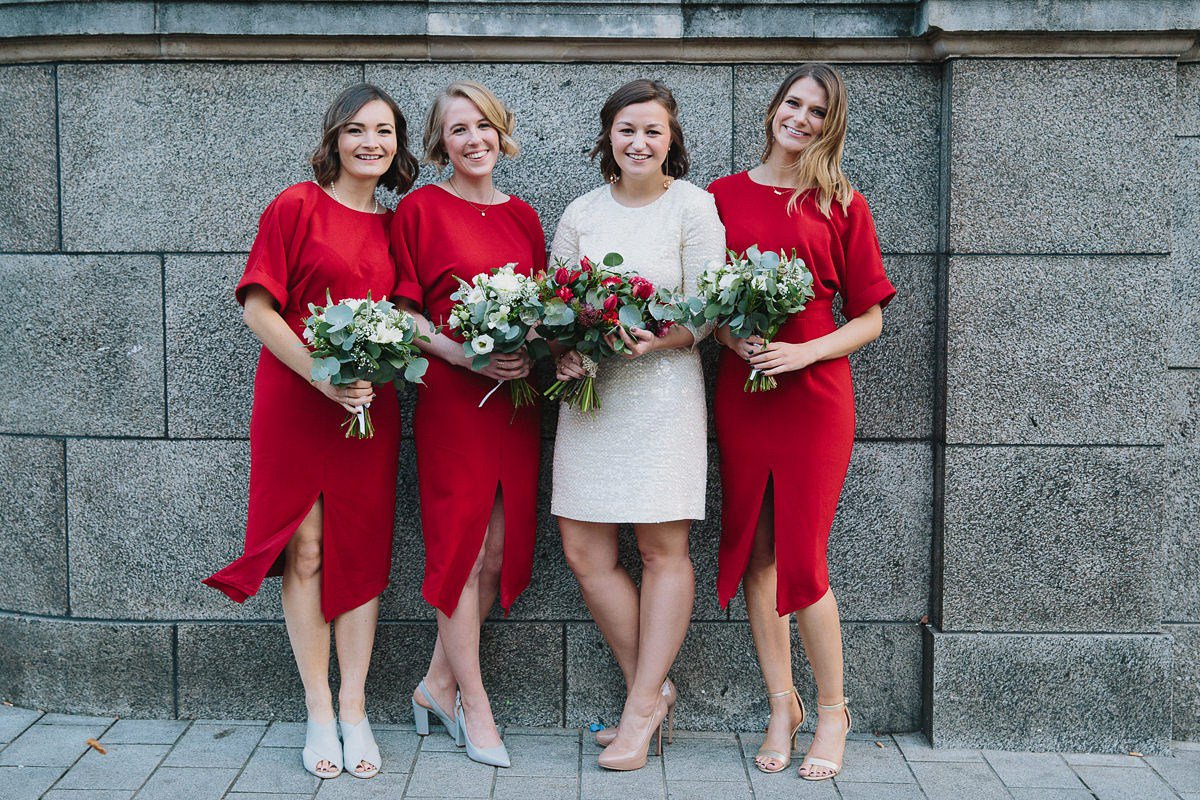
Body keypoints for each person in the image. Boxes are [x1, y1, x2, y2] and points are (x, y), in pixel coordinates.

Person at [203, 84, 419, 780]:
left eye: (384, 132)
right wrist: (319, 375)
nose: (371, 143)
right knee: (305, 548)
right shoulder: (295, 205)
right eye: (356, 130)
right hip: (298, 398)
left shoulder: (395, 227)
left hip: (366, 404)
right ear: (333, 139)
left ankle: (355, 709)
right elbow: (259, 308)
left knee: (356, 545)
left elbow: (410, 317)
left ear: (398, 146)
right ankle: (318, 708)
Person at [707, 63, 896, 782]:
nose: (802, 119)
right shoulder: (720, 197)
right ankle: (779, 705)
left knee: (804, 560)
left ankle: (833, 711)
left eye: (818, 112)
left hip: (816, 393)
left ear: (830, 125)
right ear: (772, 108)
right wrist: (736, 341)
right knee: (756, 551)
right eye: (794, 103)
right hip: (746, 388)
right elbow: (710, 311)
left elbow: (870, 319)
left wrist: (803, 352)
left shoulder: (841, 202)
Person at [552, 78, 725, 772]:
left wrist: (665, 338)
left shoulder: (694, 206)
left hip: (661, 394)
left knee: (661, 550)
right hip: (592, 398)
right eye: (627, 129)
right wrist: (563, 348)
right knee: (584, 552)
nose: (639, 142)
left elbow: (710, 305)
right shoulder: (581, 213)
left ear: (671, 140)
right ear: (608, 138)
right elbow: (556, 301)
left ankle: (641, 703)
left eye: (653, 131)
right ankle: (651, 693)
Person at [389, 81, 545, 769]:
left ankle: (436, 682)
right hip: (455, 400)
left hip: (515, 401)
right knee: (464, 550)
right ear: (440, 143)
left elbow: (544, 307)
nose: (474, 139)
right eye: (458, 130)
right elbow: (403, 310)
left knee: (497, 555)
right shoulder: (419, 210)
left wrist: (541, 343)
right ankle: (473, 705)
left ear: (501, 133)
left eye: (483, 125)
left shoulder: (525, 217)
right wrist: (460, 353)